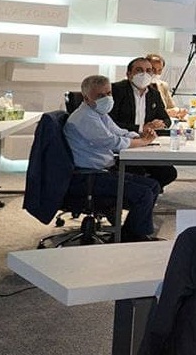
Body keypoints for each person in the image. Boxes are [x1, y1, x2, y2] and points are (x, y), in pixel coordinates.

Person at [63, 74, 162, 242]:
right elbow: (113, 142)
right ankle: (131, 237)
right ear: (86, 98)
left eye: (108, 93)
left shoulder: (98, 113)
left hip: (101, 171)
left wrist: (139, 136)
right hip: (87, 177)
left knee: (153, 186)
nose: (107, 98)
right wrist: (143, 142)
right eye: (100, 95)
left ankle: (130, 233)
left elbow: (119, 132)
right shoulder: (84, 118)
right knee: (143, 194)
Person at [110, 56, 177, 189]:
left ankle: (146, 190)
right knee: (137, 172)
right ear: (129, 74)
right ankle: (141, 191)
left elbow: (166, 119)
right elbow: (110, 122)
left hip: (146, 143)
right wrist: (141, 128)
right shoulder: (116, 90)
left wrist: (160, 123)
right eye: (139, 70)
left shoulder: (154, 93)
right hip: (123, 143)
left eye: (148, 71)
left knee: (169, 173)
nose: (144, 74)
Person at [145, 53, 186, 120]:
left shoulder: (163, 85)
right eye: (153, 69)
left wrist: (179, 112)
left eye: (159, 70)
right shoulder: (136, 86)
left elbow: (172, 107)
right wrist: (166, 113)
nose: (156, 73)